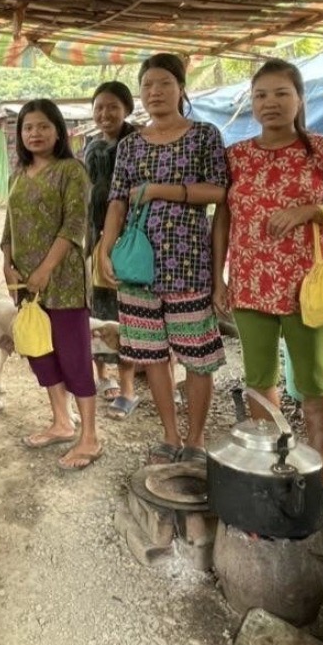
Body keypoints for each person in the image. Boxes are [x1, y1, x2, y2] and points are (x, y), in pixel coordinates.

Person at [212, 59, 323, 478]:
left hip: (305, 286)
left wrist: (310, 211)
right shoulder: (235, 156)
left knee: (313, 381)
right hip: (249, 283)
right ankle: (270, 464)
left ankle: (319, 471)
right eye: (260, 95)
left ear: (299, 99)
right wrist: (217, 277)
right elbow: (223, 219)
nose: (270, 103)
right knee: (259, 379)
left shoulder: (322, 150)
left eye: (281, 93)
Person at [98, 54, 228, 465]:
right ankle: (170, 435)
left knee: (197, 357)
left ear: (181, 88)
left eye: (164, 83)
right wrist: (105, 248)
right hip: (137, 268)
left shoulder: (204, 135)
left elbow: (219, 192)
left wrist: (159, 190)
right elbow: (117, 201)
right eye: (147, 85)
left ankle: (196, 439)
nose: (154, 92)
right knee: (152, 354)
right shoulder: (130, 144)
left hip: (189, 264)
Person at [5, 99, 102, 470]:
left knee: (73, 356)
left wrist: (45, 268)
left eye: (43, 126)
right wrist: (7, 264)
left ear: (58, 131)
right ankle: (62, 422)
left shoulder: (71, 171)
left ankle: (90, 436)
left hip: (63, 281)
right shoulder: (18, 174)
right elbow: (8, 227)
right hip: (26, 287)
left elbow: (74, 225)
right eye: (28, 127)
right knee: (40, 352)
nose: (35, 133)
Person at [85, 81, 142, 418]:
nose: (105, 114)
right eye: (99, 108)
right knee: (98, 308)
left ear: (127, 110)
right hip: (94, 238)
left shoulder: (137, 142)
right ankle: (102, 375)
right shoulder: (91, 147)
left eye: (112, 107)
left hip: (127, 239)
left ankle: (128, 386)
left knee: (126, 313)